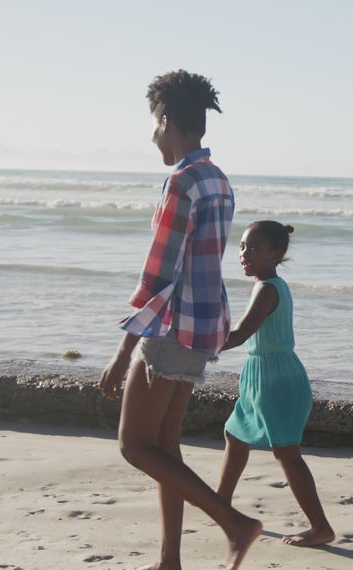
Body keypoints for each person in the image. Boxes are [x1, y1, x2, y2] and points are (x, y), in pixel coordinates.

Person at [98, 70, 261, 570]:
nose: (153, 135)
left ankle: (234, 523)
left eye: (154, 123)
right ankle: (170, 559)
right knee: (167, 447)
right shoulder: (218, 179)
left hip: (171, 331)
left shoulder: (182, 182)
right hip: (203, 327)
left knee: (135, 445)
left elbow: (158, 275)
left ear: (167, 121)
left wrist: (123, 349)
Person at [216, 221, 336, 548]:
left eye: (254, 249)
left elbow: (240, 334)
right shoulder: (265, 285)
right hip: (259, 377)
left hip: (277, 381)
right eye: (242, 247)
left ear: (275, 255)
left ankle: (321, 527)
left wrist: (199, 345)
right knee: (235, 435)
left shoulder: (269, 289)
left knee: (287, 454)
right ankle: (220, 504)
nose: (244, 254)